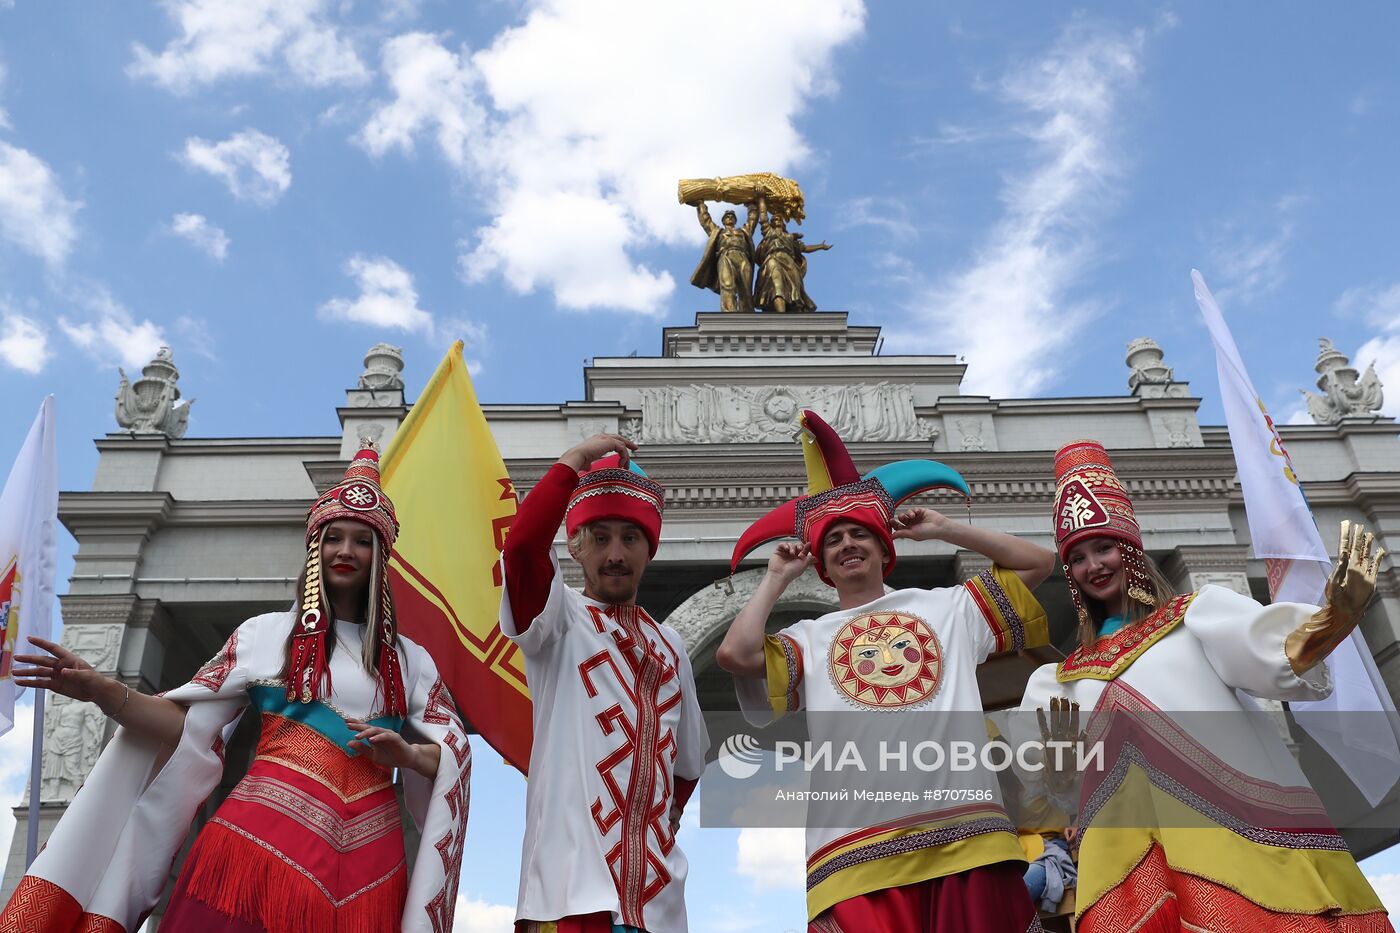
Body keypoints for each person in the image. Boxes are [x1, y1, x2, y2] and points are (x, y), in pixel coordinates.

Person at [0, 444, 471, 933]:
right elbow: (186, 725)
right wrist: (102, 690)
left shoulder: (411, 661)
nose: (346, 551)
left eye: (362, 540)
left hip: (370, 866)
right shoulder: (262, 634)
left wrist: (410, 757)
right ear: (316, 548)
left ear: (381, 555)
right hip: (253, 849)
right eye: (334, 538)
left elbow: (453, 756)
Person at [1016, 439, 1393, 932]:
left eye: (1104, 547)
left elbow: (1274, 657)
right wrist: (1061, 775)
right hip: (1128, 859)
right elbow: (1042, 784)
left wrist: (1331, 621)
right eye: (1080, 558)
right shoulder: (1057, 682)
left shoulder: (1195, 618)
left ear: (1129, 549)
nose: (1094, 566)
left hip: (1234, 830)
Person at [717, 409, 1056, 932]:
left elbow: (1037, 562)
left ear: (884, 547)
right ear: (823, 566)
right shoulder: (808, 638)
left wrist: (945, 528)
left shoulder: (947, 609)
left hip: (966, 838)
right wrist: (776, 579)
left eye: (859, 534)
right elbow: (735, 656)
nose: (847, 544)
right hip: (853, 854)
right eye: (833, 540)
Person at [499, 433, 708, 933]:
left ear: (648, 550)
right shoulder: (558, 618)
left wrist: (650, 832)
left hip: (657, 908)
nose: (615, 553)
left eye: (630, 538)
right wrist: (572, 462)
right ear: (577, 547)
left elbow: (687, 765)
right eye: (600, 537)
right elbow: (523, 548)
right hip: (568, 896)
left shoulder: (671, 645)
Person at [754, 197, 830, 313]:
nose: (777, 220)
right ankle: (781, 315)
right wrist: (761, 199)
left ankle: (793, 314)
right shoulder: (769, 232)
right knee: (776, 286)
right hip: (773, 258)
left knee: (795, 290)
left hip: (789, 262)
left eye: (779, 219)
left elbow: (804, 248)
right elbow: (763, 216)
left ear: (783, 223)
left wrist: (820, 246)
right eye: (774, 219)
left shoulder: (790, 238)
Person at [691, 201, 758, 313]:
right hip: (725, 257)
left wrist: (752, 205)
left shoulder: (744, 231)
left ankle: (747, 314)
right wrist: (700, 205)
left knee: (746, 288)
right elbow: (706, 221)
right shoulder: (718, 232)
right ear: (723, 220)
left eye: (732, 216)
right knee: (727, 286)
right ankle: (729, 313)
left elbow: (752, 220)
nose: (730, 217)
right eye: (727, 216)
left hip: (742, 257)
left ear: (735, 220)